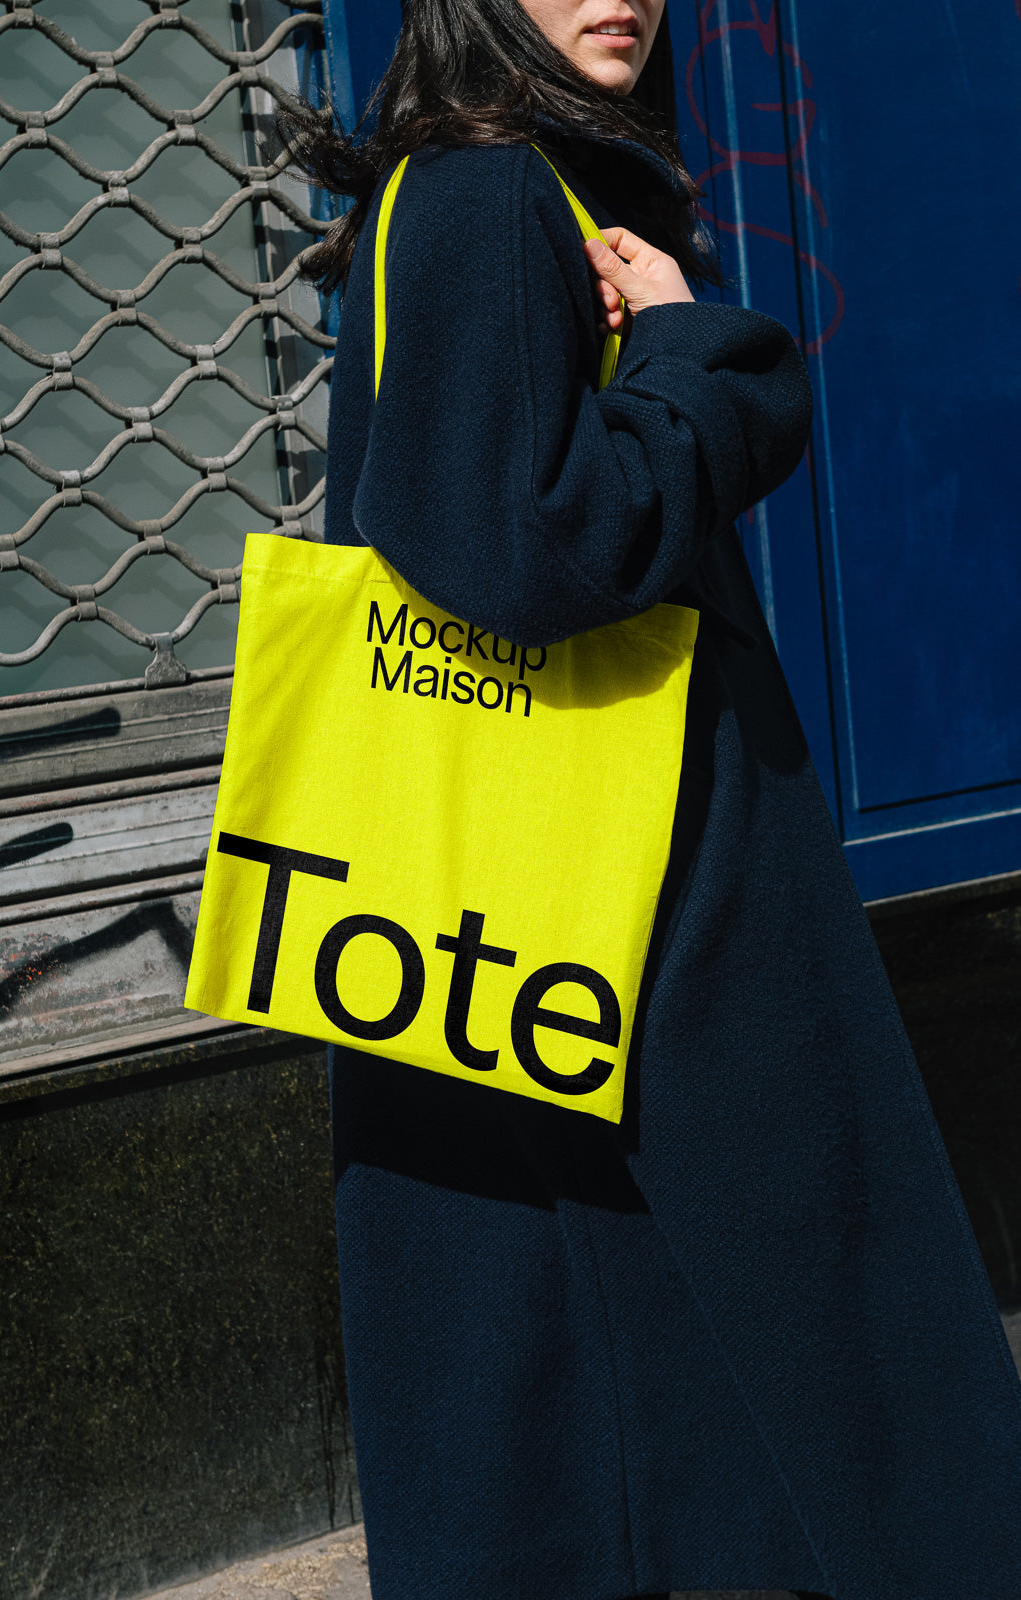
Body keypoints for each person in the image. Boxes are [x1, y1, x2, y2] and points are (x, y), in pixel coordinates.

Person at [279, 2, 1021, 1597]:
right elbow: (520, 543)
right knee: (795, 1384)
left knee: (602, 1407)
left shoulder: (481, 182)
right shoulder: (489, 191)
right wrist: (700, 360)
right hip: (630, 913)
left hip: (545, 907)